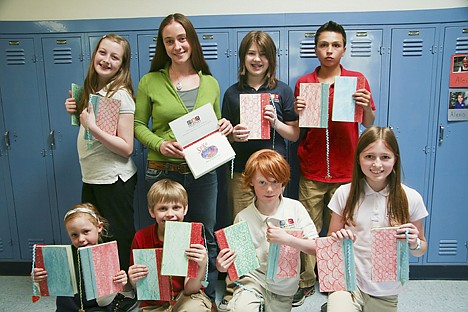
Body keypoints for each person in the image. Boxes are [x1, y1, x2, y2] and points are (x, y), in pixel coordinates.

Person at [133, 13, 232, 309]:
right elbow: (138, 125)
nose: (177, 46)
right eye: (169, 41)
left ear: (191, 40)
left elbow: (212, 126)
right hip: (162, 169)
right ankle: (164, 296)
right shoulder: (150, 81)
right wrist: (160, 144)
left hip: (202, 173)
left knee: (204, 233)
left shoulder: (210, 83)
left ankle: (203, 294)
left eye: (181, 38)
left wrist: (223, 125)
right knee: (165, 236)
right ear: (163, 46)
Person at [292, 20, 376, 306]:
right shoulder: (304, 83)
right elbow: (299, 128)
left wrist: (364, 105)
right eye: (323, 45)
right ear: (316, 49)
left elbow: (369, 123)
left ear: (344, 49)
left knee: (342, 230)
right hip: (312, 170)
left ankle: (336, 279)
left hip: (345, 172)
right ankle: (306, 280)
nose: (329, 51)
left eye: (335, 45)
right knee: (308, 229)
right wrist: (300, 110)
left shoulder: (356, 80)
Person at [324, 126, 428, 312]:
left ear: (395, 159)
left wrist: (414, 244)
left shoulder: (411, 198)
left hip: (385, 289)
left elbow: (421, 248)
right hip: (347, 283)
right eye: (369, 156)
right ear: (358, 158)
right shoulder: (344, 193)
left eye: (385, 157)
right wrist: (338, 237)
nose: (377, 164)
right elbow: (331, 239)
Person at [64, 34, 138, 281]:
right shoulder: (94, 90)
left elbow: (126, 147)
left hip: (113, 179)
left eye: (114, 57)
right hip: (93, 177)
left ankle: (126, 288)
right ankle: (105, 287)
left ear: (122, 64)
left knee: (119, 235)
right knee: (98, 236)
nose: (106, 60)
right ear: (95, 53)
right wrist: (76, 113)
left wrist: (91, 127)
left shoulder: (120, 95)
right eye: (102, 53)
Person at [216, 149, 318, 312]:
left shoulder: (295, 208)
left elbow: (317, 249)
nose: (269, 189)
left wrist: (288, 239)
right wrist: (223, 266)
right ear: (251, 182)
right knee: (241, 308)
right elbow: (238, 265)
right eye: (262, 182)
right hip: (251, 282)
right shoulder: (243, 217)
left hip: (283, 286)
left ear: (283, 181)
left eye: (275, 182)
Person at [222, 30, 299, 220]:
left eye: (263, 54)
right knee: (241, 227)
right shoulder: (232, 93)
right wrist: (233, 135)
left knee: (274, 223)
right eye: (251, 53)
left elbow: (294, 134)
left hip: (273, 173)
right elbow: (223, 137)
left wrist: (276, 124)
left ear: (271, 58)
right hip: (241, 172)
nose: (257, 59)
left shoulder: (283, 90)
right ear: (243, 57)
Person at [127, 179, 212, 312]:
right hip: (153, 304)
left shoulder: (192, 237)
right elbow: (139, 286)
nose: (170, 214)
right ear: (151, 211)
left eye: (176, 207)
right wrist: (133, 280)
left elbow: (190, 289)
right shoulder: (141, 237)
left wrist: (202, 265)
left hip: (186, 298)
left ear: (185, 209)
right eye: (163, 208)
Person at [32, 203, 130, 312]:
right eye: (74, 235)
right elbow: (48, 288)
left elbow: (104, 302)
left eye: (86, 232)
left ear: (99, 227)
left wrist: (116, 285)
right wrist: (38, 279)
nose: (81, 239)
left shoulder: (107, 256)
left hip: (98, 309)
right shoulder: (61, 257)